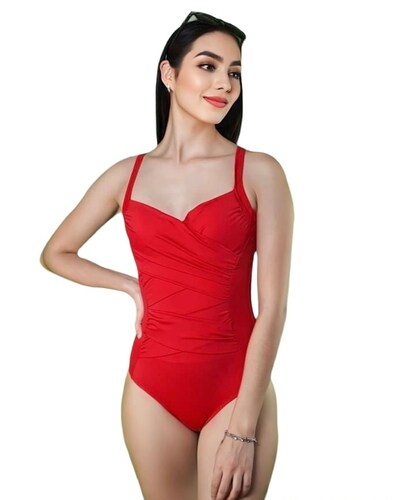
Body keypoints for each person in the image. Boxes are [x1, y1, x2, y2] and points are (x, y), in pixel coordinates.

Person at [40, 11, 294, 500]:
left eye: (235, 72)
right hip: (151, 389)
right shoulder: (126, 176)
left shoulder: (260, 173)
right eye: (208, 66)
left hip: (235, 390)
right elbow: (57, 253)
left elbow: (274, 311)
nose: (225, 83)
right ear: (169, 74)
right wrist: (129, 285)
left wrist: (242, 431)